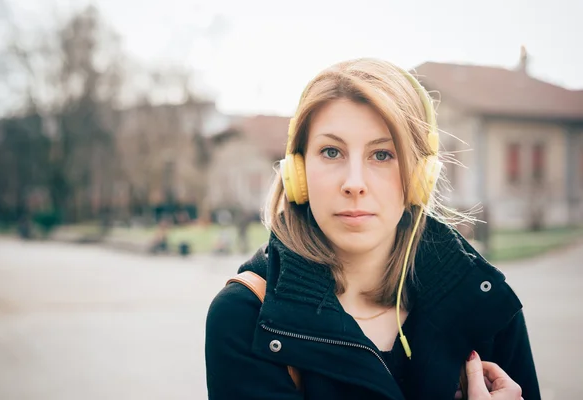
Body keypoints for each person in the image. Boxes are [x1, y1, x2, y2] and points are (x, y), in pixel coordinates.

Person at [205, 58, 540, 399]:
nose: (354, 183)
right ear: (299, 172)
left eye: (382, 155)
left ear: (419, 176)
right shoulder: (245, 319)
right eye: (331, 151)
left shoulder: (484, 300)